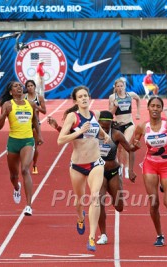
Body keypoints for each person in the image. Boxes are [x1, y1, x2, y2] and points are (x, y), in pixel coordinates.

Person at [48, 110, 136, 245]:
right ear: (98, 122)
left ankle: (113, 198)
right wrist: (58, 127)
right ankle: (103, 234)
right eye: (102, 123)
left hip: (113, 172)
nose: (104, 126)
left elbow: (129, 149)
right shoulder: (90, 133)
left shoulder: (116, 134)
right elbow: (73, 136)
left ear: (111, 122)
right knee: (98, 201)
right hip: (97, 169)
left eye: (107, 123)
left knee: (119, 206)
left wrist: (130, 169)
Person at [56, 85, 110, 252]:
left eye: (86, 95)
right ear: (76, 100)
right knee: (80, 200)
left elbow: (97, 129)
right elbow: (60, 140)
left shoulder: (94, 114)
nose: (84, 98)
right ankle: (80, 217)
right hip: (78, 166)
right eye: (80, 97)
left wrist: (104, 135)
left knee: (95, 197)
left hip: (96, 163)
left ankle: (92, 237)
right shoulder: (73, 117)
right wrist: (79, 131)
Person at [131, 96, 167, 247]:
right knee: (154, 203)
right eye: (152, 106)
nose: (155, 109)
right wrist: (135, 145)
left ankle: (164, 184)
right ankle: (159, 235)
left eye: (158, 106)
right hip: (150, 166)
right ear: (148, 108)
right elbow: (133, 146)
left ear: (161, 109)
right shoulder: (142, 127)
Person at [0, 81, 44, 216]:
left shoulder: (30, 104)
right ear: (11, 92)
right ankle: (16, 187)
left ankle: (28, 205)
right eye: (15, 86)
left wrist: (39, 136)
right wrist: (4, 114)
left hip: (28, 141)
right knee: (13, 175)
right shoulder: (7, 105)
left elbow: (35, 120)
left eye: (20, 86)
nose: (19, 87)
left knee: (24, 169)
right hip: (13, 142)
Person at [109, 78, 140, 179]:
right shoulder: (112, 97)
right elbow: (110, 114)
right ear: (115, 87)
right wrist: (115, 106)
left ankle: (127, 168)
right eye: (118, 86)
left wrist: (138, 112)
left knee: (125, 144)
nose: (120, 88)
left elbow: (138, 99)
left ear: (124, 86)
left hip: (129, 124)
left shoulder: (130, 95)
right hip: (118, 125)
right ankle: (120, 166)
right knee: (119, 149)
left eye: (121, 86)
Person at [24, 79, 46, 174]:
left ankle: (34, 164)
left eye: (31, 86)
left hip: (35, 123)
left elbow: (44, 111)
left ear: (34, 86)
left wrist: (35, 107)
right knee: (25, 146)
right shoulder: (23, 97)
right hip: (25, 123)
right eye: (28, 86)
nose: (30, 87)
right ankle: (25, 164)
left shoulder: (39, 97)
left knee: (35, 147)